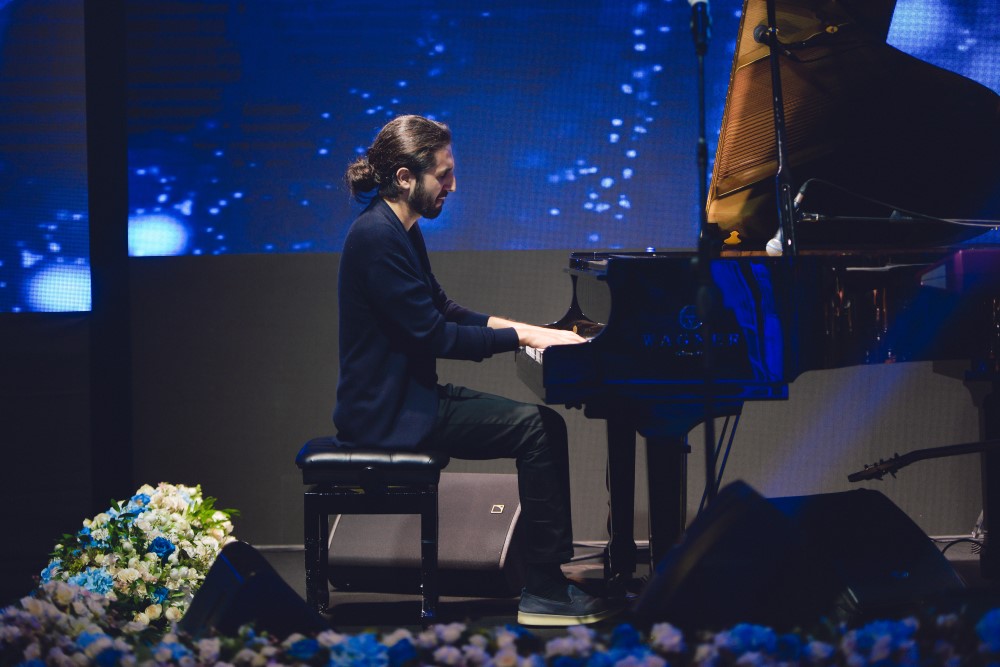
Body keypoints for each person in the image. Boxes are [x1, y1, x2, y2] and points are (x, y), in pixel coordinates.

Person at [335, 114, 619, 626]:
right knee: (539, 429)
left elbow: (443, 309)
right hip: (388, 415)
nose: (453, 185)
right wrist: (524, 338)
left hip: (409, 399)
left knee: (541, 426)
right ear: (405, 177)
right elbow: (435, 335)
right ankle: (545, 590)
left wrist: (533, 329)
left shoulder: (399, 229)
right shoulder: (376, 237)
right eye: (443, 175)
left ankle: (547, 581)